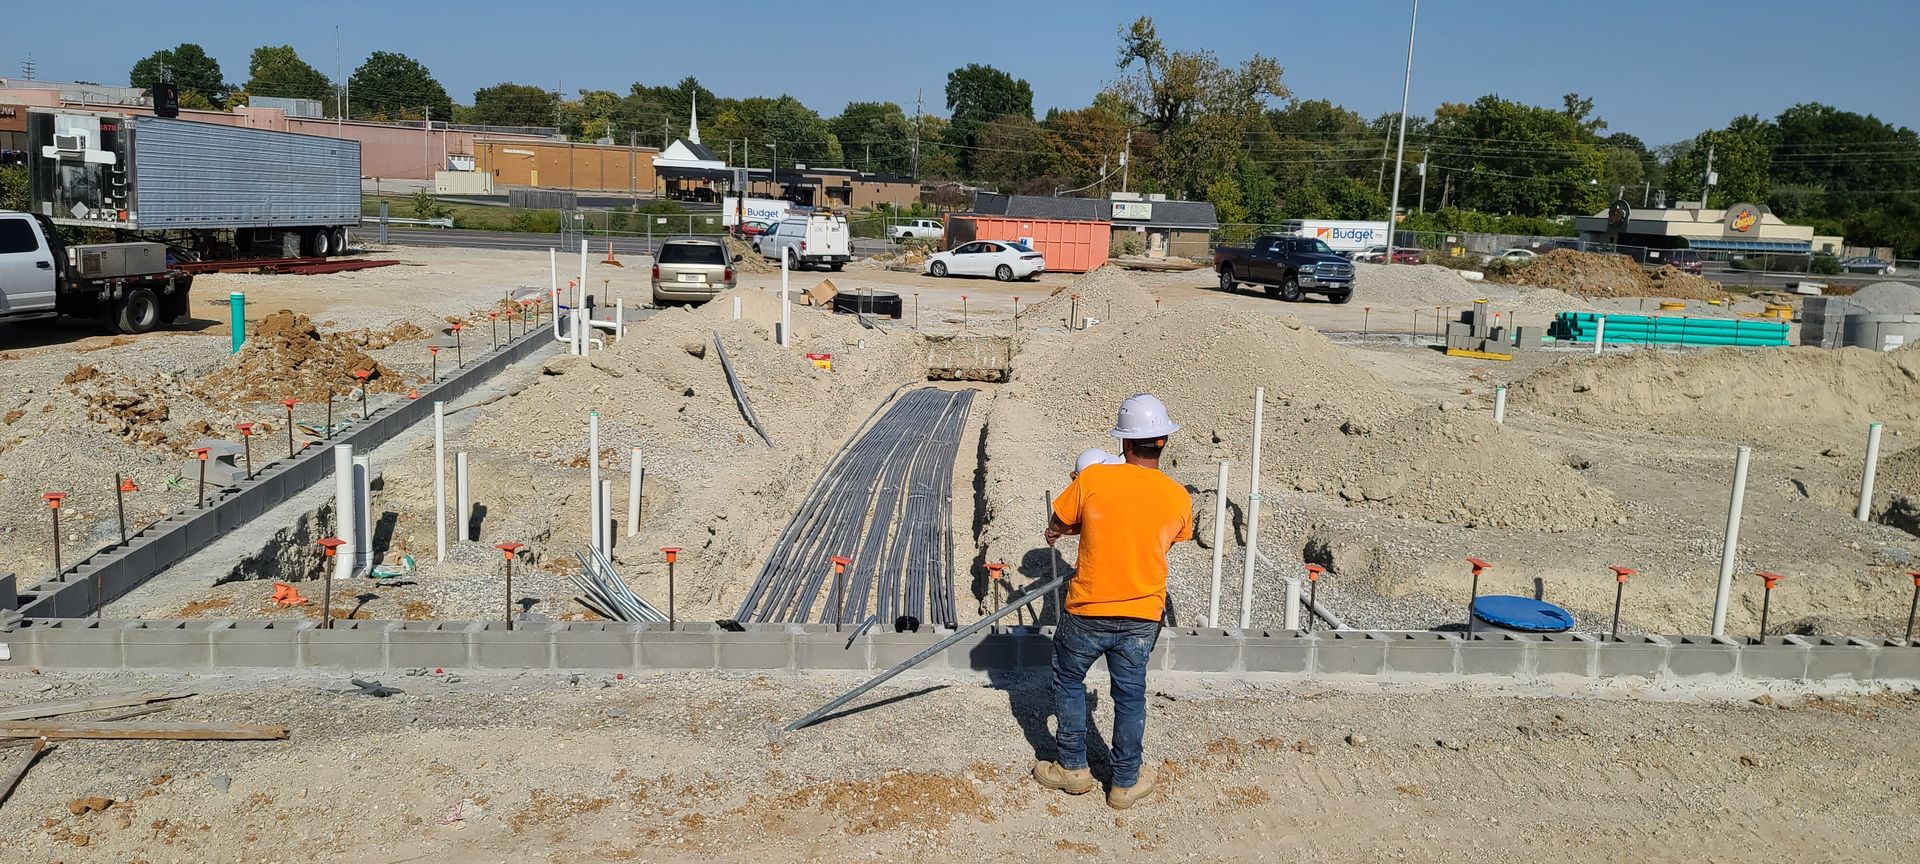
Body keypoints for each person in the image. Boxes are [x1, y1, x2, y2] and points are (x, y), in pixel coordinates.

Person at [1032, 394, 1194, 810]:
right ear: (1163, 442)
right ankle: (1124, 782)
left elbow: (1062, 522)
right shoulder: (1178, 497)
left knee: (1069, 680)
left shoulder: (1092, 480)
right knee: (1130, 695)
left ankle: (1073, 768)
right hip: (1142, 614)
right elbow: (1166, 538)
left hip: (1089, 609)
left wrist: (1057, 534)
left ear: (1123, 442)